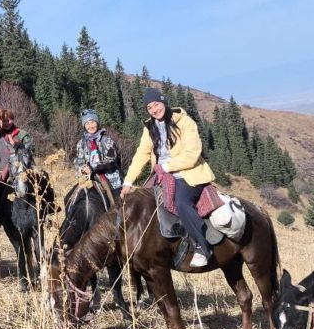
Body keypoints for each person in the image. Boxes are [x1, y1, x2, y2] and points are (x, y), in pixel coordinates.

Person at [122, 88, 215, 267]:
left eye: (156, 104)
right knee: (142, 203)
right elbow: (142, 154)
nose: (154, 110)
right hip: (161, 174)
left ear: (163, 102)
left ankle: (202, 246)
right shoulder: (149, 127)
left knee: (181, 202)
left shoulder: (185, 122)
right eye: (150, 108)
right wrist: (128, 181)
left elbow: (193, 153)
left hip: (188, 173)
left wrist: (166, 166)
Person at [0, 104, 33, 226]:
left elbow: (31, 149)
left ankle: (49, 207)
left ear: (13, 119)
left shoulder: (22, 134)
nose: (6, 122)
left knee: (42, 177)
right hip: (1, 170)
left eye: (9, 119)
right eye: (2, 120)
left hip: (22, 169)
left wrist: (18, 146)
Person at [73, 108, 123, 197]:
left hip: (110, 178)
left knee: (118, 204)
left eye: (92, 122)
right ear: (84, 126)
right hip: (89, 178)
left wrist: (93, 168)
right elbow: (78, 160)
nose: (90, 126)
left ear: (97, 123)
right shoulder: (81, 144)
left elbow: (111, 159)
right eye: (87, 123)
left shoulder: (107, 141)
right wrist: (82, 168)